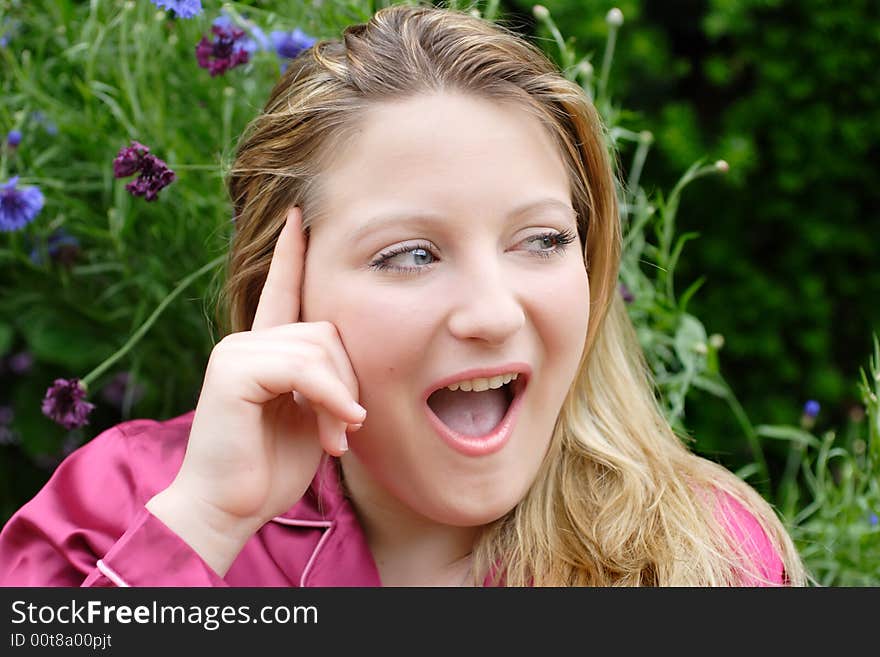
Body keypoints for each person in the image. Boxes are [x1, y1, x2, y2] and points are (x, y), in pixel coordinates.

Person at [0, 3, 807, 587]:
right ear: (284, 280)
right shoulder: (123, 510)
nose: (493, 313)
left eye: (542, 240)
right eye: (412, 253)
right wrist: (205, 526)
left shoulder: (697, 556)